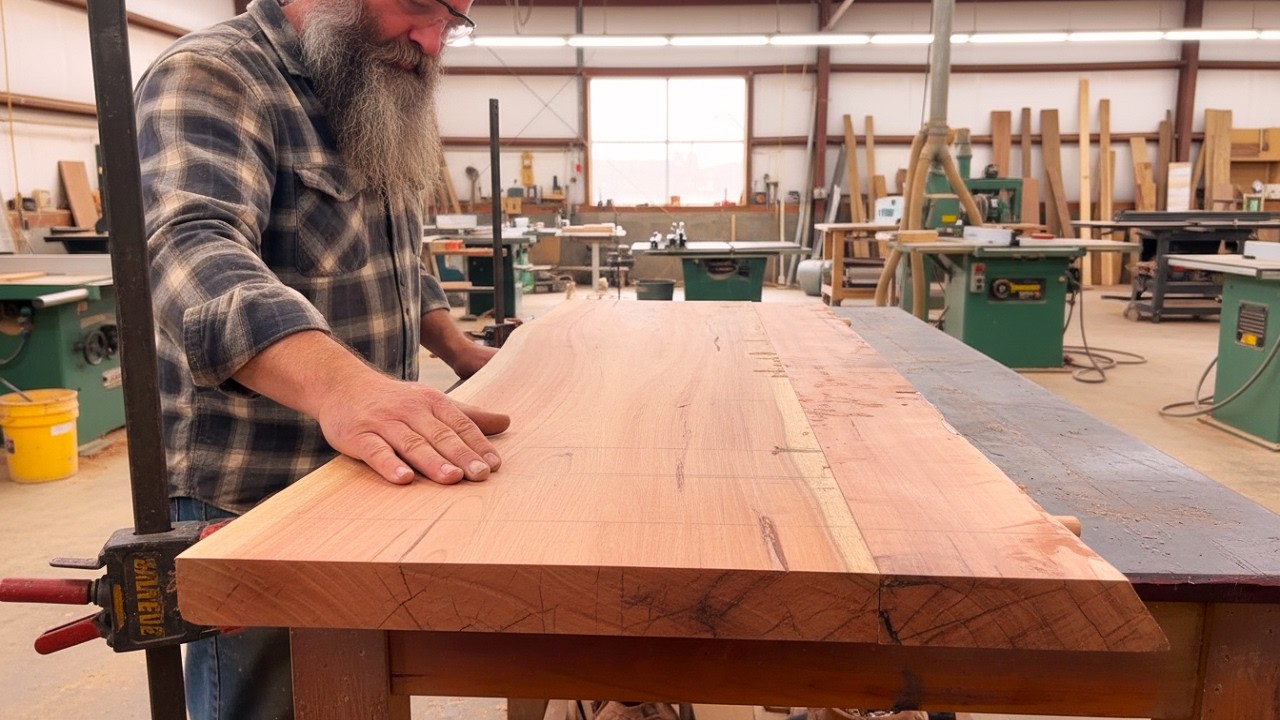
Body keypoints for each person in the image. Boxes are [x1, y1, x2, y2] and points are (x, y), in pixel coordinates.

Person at [136, 0, 507, 717]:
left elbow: (399, 249)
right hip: (255, 489)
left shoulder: (381, 81)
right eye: (419, 7)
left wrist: (457, 349)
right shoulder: (214, 74)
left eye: (453, 21)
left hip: (369, 468)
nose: (433, 40)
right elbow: (191, 250)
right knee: (275, 704)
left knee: (360, 690)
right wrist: (348, 389)